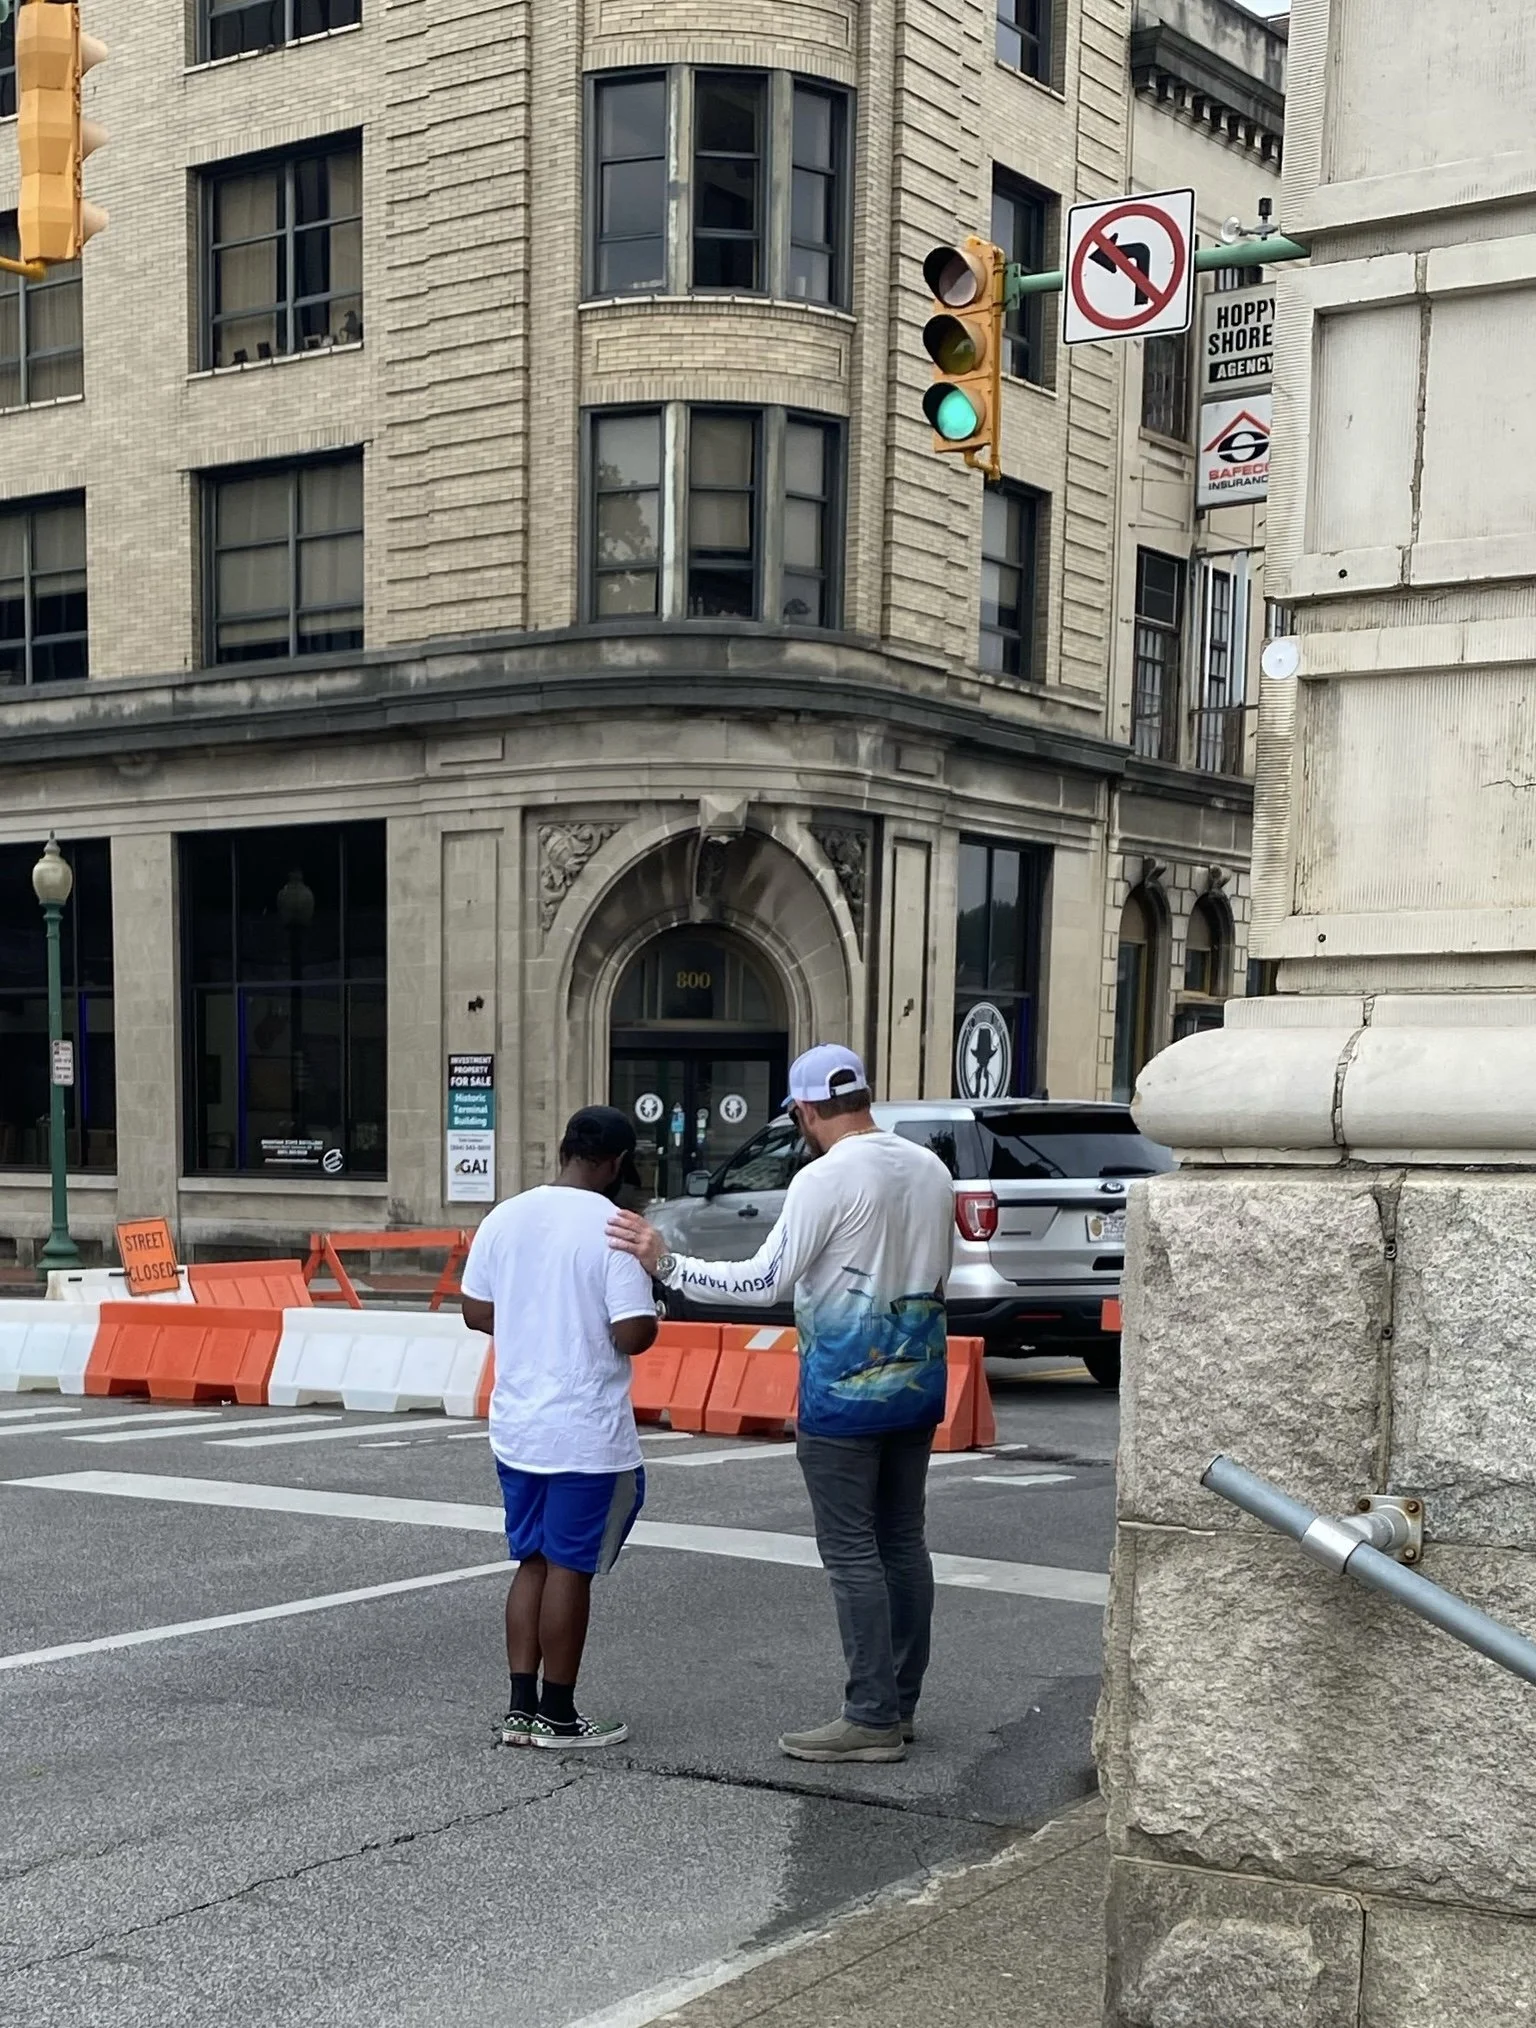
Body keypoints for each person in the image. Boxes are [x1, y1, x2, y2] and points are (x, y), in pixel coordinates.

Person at [608, 1045, 953, 1765]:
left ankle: (870, 1718)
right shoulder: (931, 1169)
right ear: (864, 1094)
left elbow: (764, 1281)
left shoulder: (823, 1179)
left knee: (853, 1550)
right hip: (919, 1382)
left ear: (803, 1111)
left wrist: (665, 1262)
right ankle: (899, 1702)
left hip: (841, 1391)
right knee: (902, 1542)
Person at [461, 1105, 658, 1750]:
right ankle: (562, 1717)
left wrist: (532, 1321)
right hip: (584, 1429)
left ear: (565, 1150)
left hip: (517, 1423)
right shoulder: (617, 1229)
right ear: (618, 1162)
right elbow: (631, 1332)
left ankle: (520, 1709)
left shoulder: (506, 1215)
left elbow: (474, 1311)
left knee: (531, 1561)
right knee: (570, 1566)